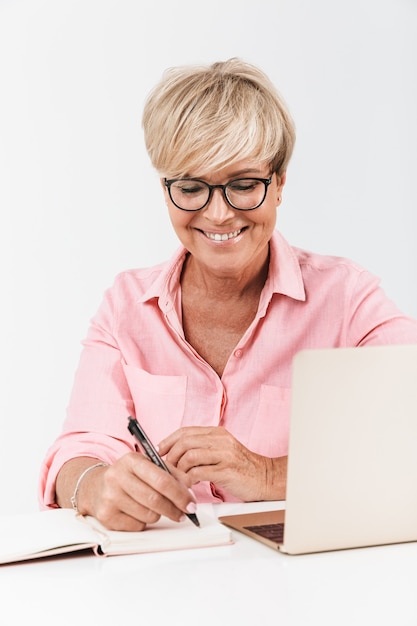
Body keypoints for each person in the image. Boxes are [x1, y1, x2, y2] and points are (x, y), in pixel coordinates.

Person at [39, 58, 417, 531]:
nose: (218, 214)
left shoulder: (346, 299)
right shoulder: (125, 305)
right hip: (159, 584)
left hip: (306, 584)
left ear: (279, 184)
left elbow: (408, 435)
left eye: (242, 185)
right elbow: (77, 450)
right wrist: (96, 486)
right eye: (193, 187)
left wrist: (266, 472)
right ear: (165, 190)